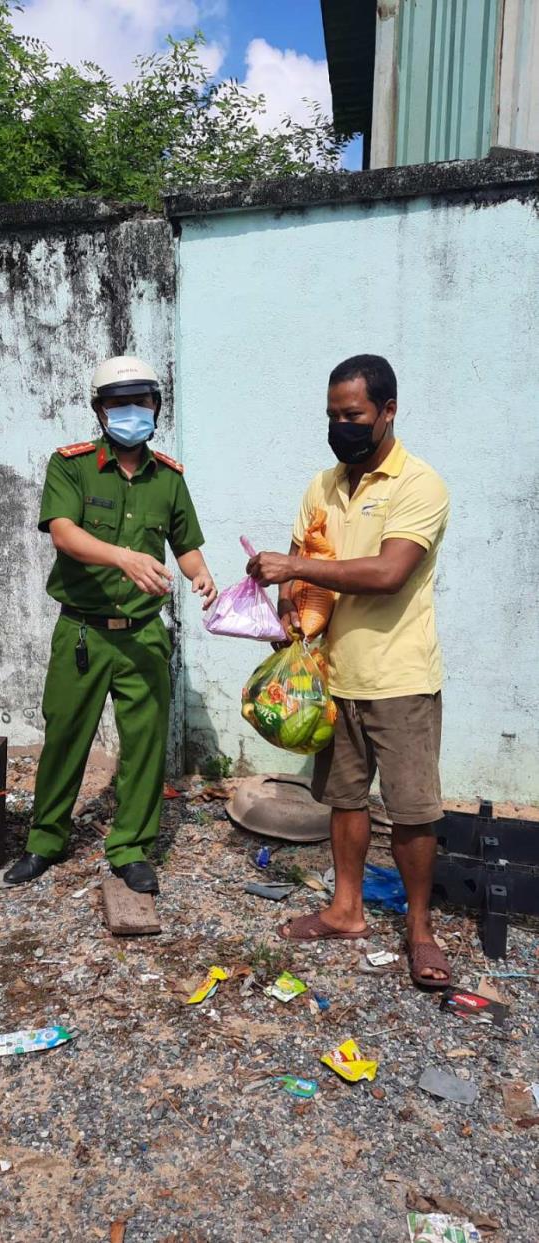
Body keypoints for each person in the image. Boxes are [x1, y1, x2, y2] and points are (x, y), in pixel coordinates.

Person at [246, 354, 452, 987]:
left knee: (413, 810)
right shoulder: (322, 486)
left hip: (400, 678)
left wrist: (296, 570)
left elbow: (388, 575)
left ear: (388, 411)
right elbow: (302, 564)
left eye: (353, 414)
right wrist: (288, 610)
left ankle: (420, 930)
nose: (341, 425)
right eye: (333, 415)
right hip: (332, 679)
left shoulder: (420, 485)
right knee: (344, 799)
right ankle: (346, 909)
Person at [4, 355, 216, 894]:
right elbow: (63, 533)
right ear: (100, 411)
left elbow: (185, 544)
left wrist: (202, 577)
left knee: (145, 745)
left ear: (156, 408)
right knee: (65, 737)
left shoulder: (167, 478)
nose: (131, 412)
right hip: (82, 631)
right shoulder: (71, 466)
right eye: (118, 403)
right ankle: (45, 841)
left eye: (141, 402)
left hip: (143, 633)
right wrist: (123, 557)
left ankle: (130, 847)